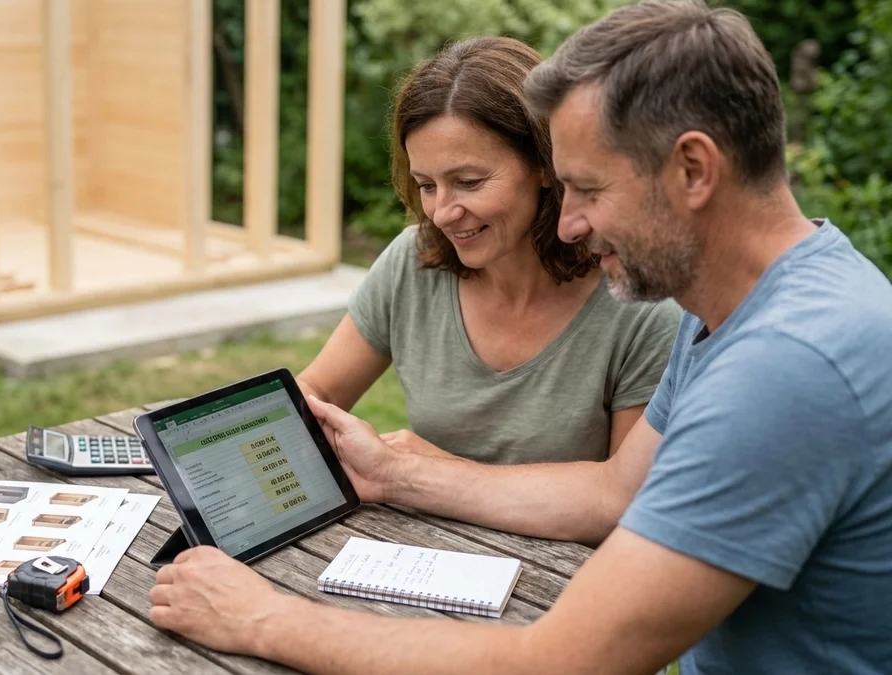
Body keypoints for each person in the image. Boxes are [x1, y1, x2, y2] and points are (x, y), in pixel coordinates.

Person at [147, 2, 892, 673]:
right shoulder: (738, 305)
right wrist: (401, 472)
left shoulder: (787, 368)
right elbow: (615, 490)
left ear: (693, 168)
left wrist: (263, 618)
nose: (567, 223)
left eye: (590, 190)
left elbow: (564, 659)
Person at [295, 35, 680, 465]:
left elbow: (622, 503)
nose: (441, 213)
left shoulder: (639, 306)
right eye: (427, 185)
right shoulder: (413, 261)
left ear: (545, 165)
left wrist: (422, 473)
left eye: (469, 182)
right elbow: (317, 394)